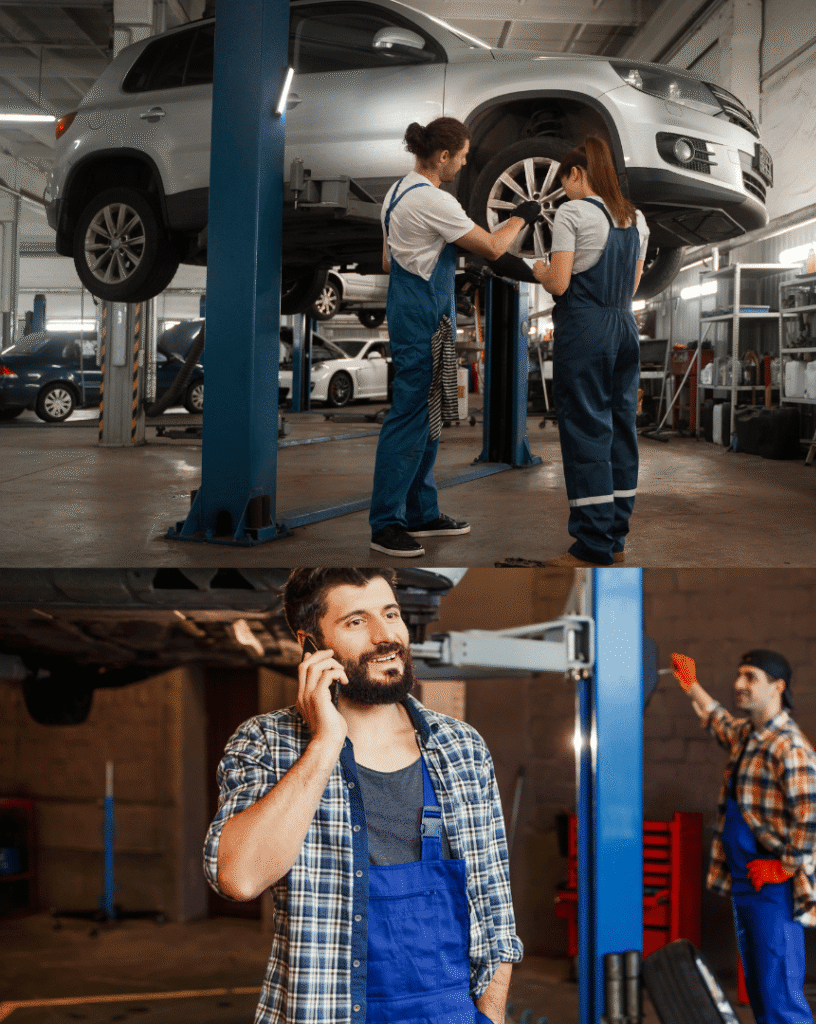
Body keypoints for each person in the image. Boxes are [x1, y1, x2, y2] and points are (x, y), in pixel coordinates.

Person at [204, 568, 523, 1024]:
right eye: (356, 621)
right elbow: (239, 879)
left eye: (390, 614)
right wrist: (324, 744)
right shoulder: (267, 743)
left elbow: (495, 910)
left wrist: (490, 1017)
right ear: (311, 644)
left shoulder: (461, 747)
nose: (385, 636)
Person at [370, 118, 542, 558]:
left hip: (414, 307)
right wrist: (522, 216)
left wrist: (441, 257)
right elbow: (495, 247)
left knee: (427, 416)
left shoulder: (396, 192)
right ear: (443, 156)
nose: (464, 164)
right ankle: (386, 524)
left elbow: (390, 262)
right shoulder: (433, 200)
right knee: (410, 416)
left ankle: (421, 512)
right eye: (462, 156)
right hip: (424, 317)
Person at [672, 650, 816, 1024]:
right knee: (762, 993)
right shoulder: (749, 736)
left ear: (778, 687)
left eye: (750, 677)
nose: (738, 684)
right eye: (739, 675)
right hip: (747, 884)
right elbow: (720, 722)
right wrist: (690, 684)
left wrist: (785, 867)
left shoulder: (787, 746)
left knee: (780, 999)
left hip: (773, 890)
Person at [532, 135, 650, 567]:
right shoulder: (636, 219)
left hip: (586, 328)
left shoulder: (573, 212)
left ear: (576, 173)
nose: (563, 192)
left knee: (586, 432)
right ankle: (615, 538)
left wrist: (541, 270)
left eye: (563, 181)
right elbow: (632, 286)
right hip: (624, 327)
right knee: (621, 430)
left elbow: (560, 283)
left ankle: (591, 546)